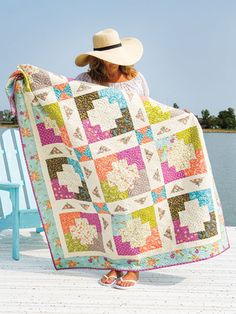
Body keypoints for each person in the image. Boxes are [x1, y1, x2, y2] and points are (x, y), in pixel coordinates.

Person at [74, 28, 149, 289]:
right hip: (97, 154)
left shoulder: (136, 79)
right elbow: (67, 108)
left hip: (130, 152)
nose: (112, 60)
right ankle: (113, 263)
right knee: (105, 209)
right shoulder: (85, 79)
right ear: (97, 57)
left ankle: (133, 268)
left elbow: (147, 111)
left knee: (132, 209)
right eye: (106, 56)